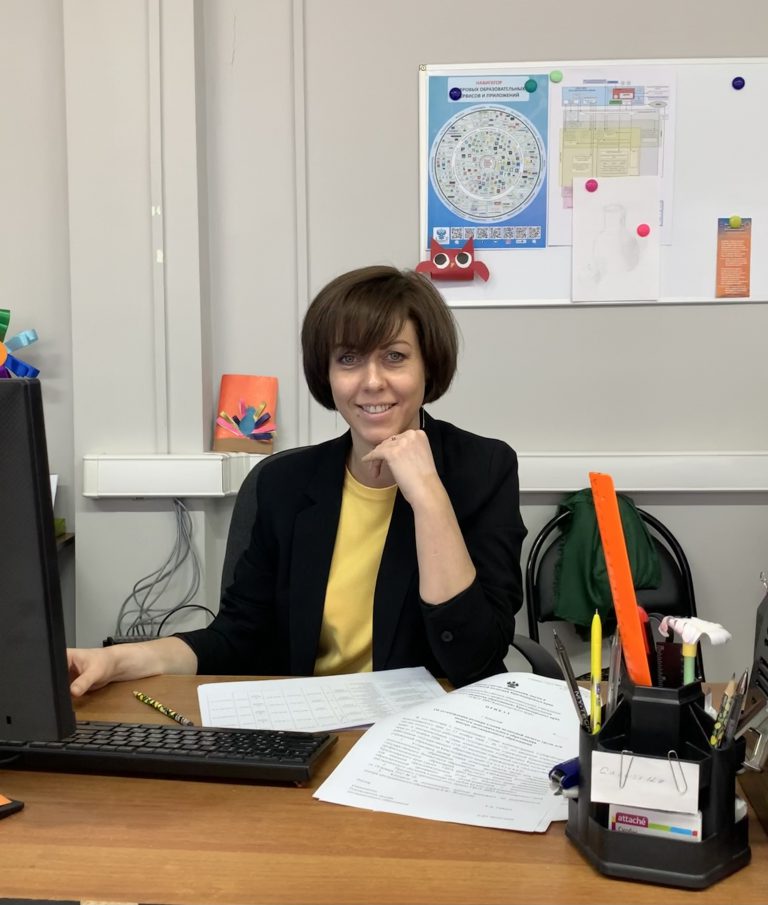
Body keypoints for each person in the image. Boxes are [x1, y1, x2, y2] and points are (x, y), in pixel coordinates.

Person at [67, 265, 527, 695]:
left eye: (394, 356)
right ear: (327, 374)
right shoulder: (286, 483)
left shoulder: (482, 470)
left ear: (429, 365)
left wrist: (428, 496)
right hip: (312, 727)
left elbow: (476, 660)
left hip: (432, 729)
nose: (371, 381)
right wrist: (121, 659)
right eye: (348, 359)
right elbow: (237, 636)